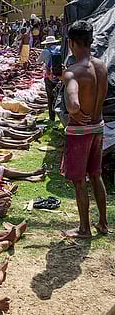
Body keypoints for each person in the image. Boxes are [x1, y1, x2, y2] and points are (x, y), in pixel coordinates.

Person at [61, 20, 108, 238]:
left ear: (71, 43)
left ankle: (84, 228)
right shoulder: (102, 66)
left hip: (80, 132)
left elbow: (73, 104)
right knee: (96, 175)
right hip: (98, 126)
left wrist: (75, 113)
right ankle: (103, 223)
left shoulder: (73, 72)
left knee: (80, 181)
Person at [39, 35, 61, 121]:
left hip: (49, 76)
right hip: (60, 76)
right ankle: (61, 115)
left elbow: (38, 61)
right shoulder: (60, 48)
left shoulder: (45, 51)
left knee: (50, 97)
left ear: (47, 44)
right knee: (60, 95)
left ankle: (52, 118)